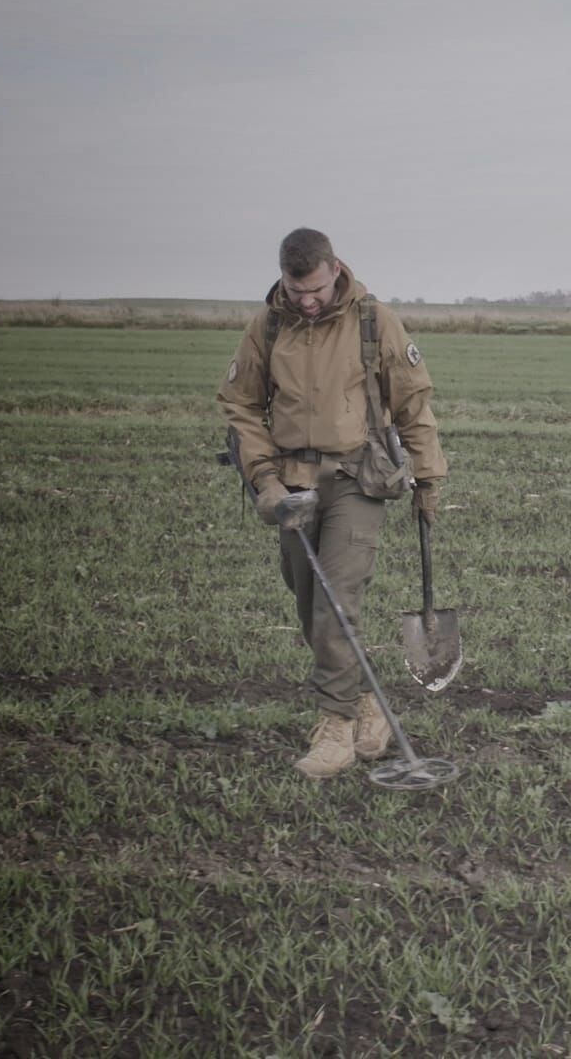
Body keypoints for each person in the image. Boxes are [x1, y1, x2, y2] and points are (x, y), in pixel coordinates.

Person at [218, 228, 447, 779]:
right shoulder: (267, 326)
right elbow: (240, 406)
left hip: (356, 478)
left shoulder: (374, 321)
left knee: (335, 605)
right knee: (309, 608)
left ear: (335, 268)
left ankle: (335, 729)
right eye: (297, 291)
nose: (307, 301)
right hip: (292, 485)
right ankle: (367, 705)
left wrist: (430, 477)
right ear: (284, 278)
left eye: (316, 289)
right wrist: (264, 479)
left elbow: (413, 403)